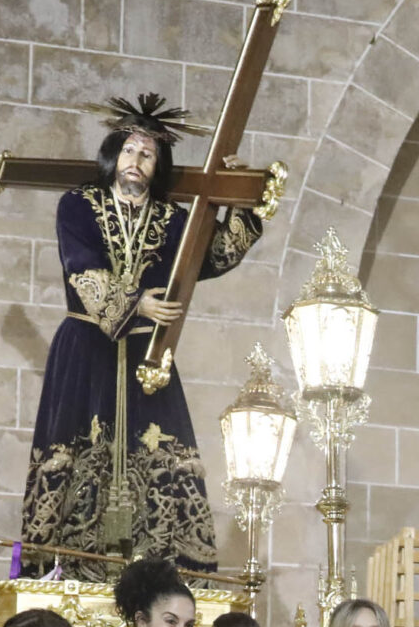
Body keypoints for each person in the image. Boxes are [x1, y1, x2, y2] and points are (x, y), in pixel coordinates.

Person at [16, 94, 260, 572]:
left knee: (163, 452)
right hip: (87, 346)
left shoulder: (172, 219)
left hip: (150, 354)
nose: (136, 161)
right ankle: (58, 566)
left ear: (158, 165)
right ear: (114, 155)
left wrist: (240, 203)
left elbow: (209, 260)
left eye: (147, 154)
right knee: (74, 449)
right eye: (129, 150)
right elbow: (79, 266)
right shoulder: (79, 205)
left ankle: (163, 568)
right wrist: (132, 304)